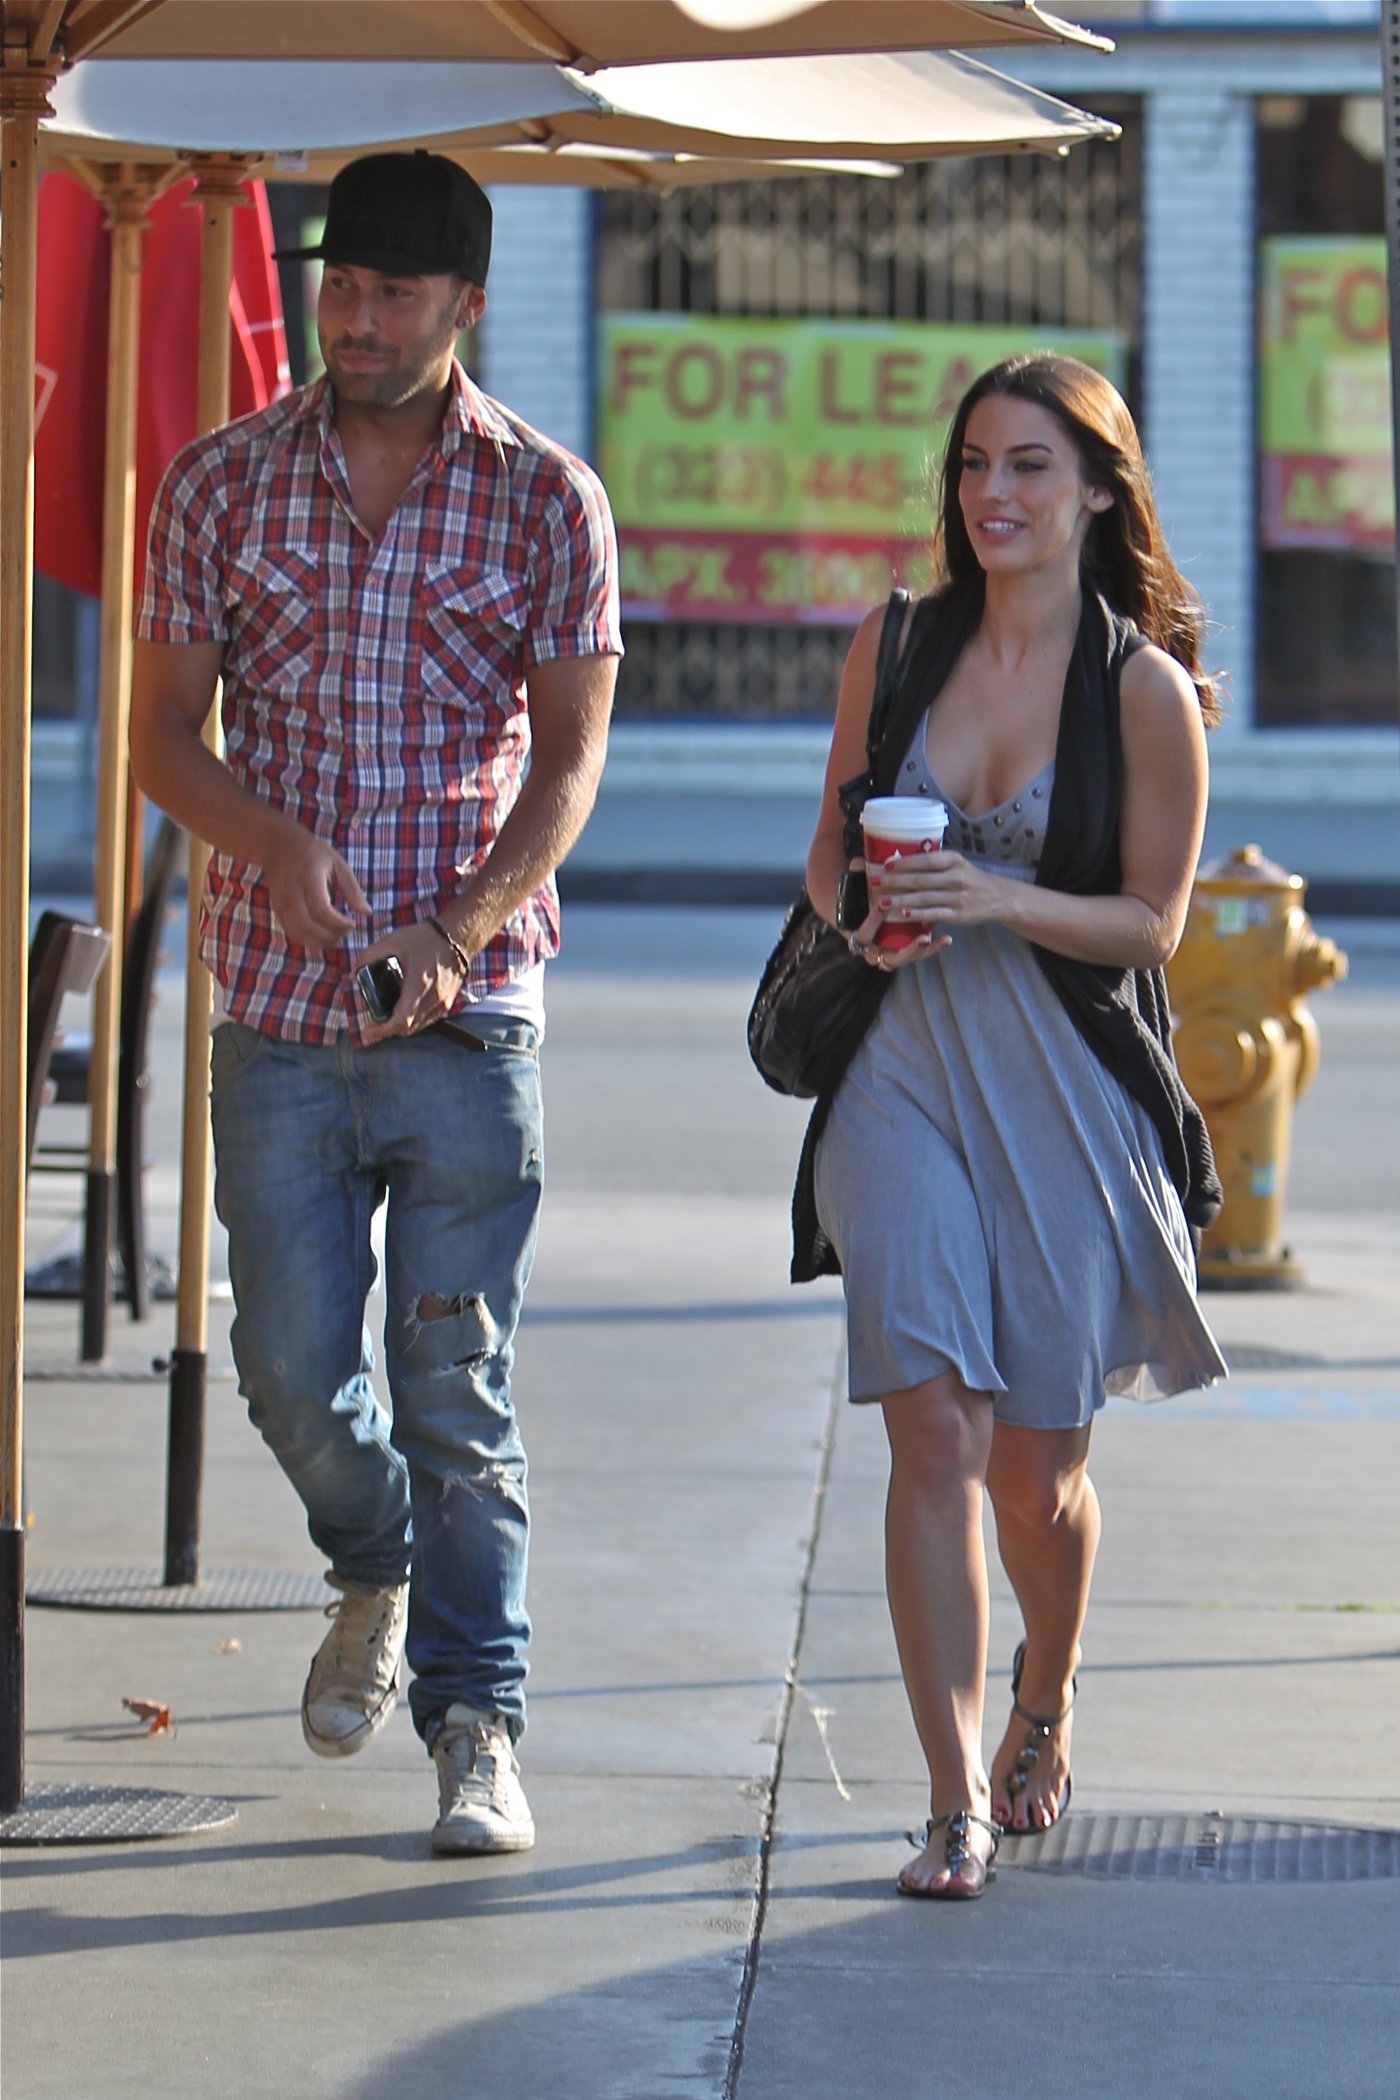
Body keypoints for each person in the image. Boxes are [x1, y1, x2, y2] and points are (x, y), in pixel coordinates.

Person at [130, 151, 621, 1856]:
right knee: (281, 1365)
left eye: (397, 292)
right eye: (342, 283)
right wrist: (266, 842)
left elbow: (568, 766)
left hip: (470, 1022)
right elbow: (157, 737)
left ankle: (478, 1721)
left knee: (455, 1379)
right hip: (273, 1002)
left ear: (465, 305)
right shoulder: (215, 484)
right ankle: (373, 1560)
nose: (357, 314)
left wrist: (466, 927)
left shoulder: (550, 501)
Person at [798, 353, 1226, 1900]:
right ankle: (950, 1798)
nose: (994, 494)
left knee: (1034, 1480)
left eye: (1032, 466)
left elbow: (1154, 925)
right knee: (935, 1430)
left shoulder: (1140, 690)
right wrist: (869, 918)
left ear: (1098, 490)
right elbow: (827, 858)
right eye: (976, 464)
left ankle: (1044, 1696)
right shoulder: (898, 643)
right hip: (902, 1068)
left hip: (1060, 1082)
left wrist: (994, 897)